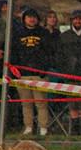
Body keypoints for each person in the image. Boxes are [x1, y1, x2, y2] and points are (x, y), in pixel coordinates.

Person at [12, 7, 52, 135]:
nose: (32, 19)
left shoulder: (44, 33)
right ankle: (28, 126)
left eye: (34, 17)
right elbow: (14, 53)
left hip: (39, 75)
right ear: (24, 19)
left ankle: (43, 127)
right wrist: (16, 70)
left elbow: (49, 53)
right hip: (23, 75)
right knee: (26, 104)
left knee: (41, 103)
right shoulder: (17, 33)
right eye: (29, 17)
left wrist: (44, 69)